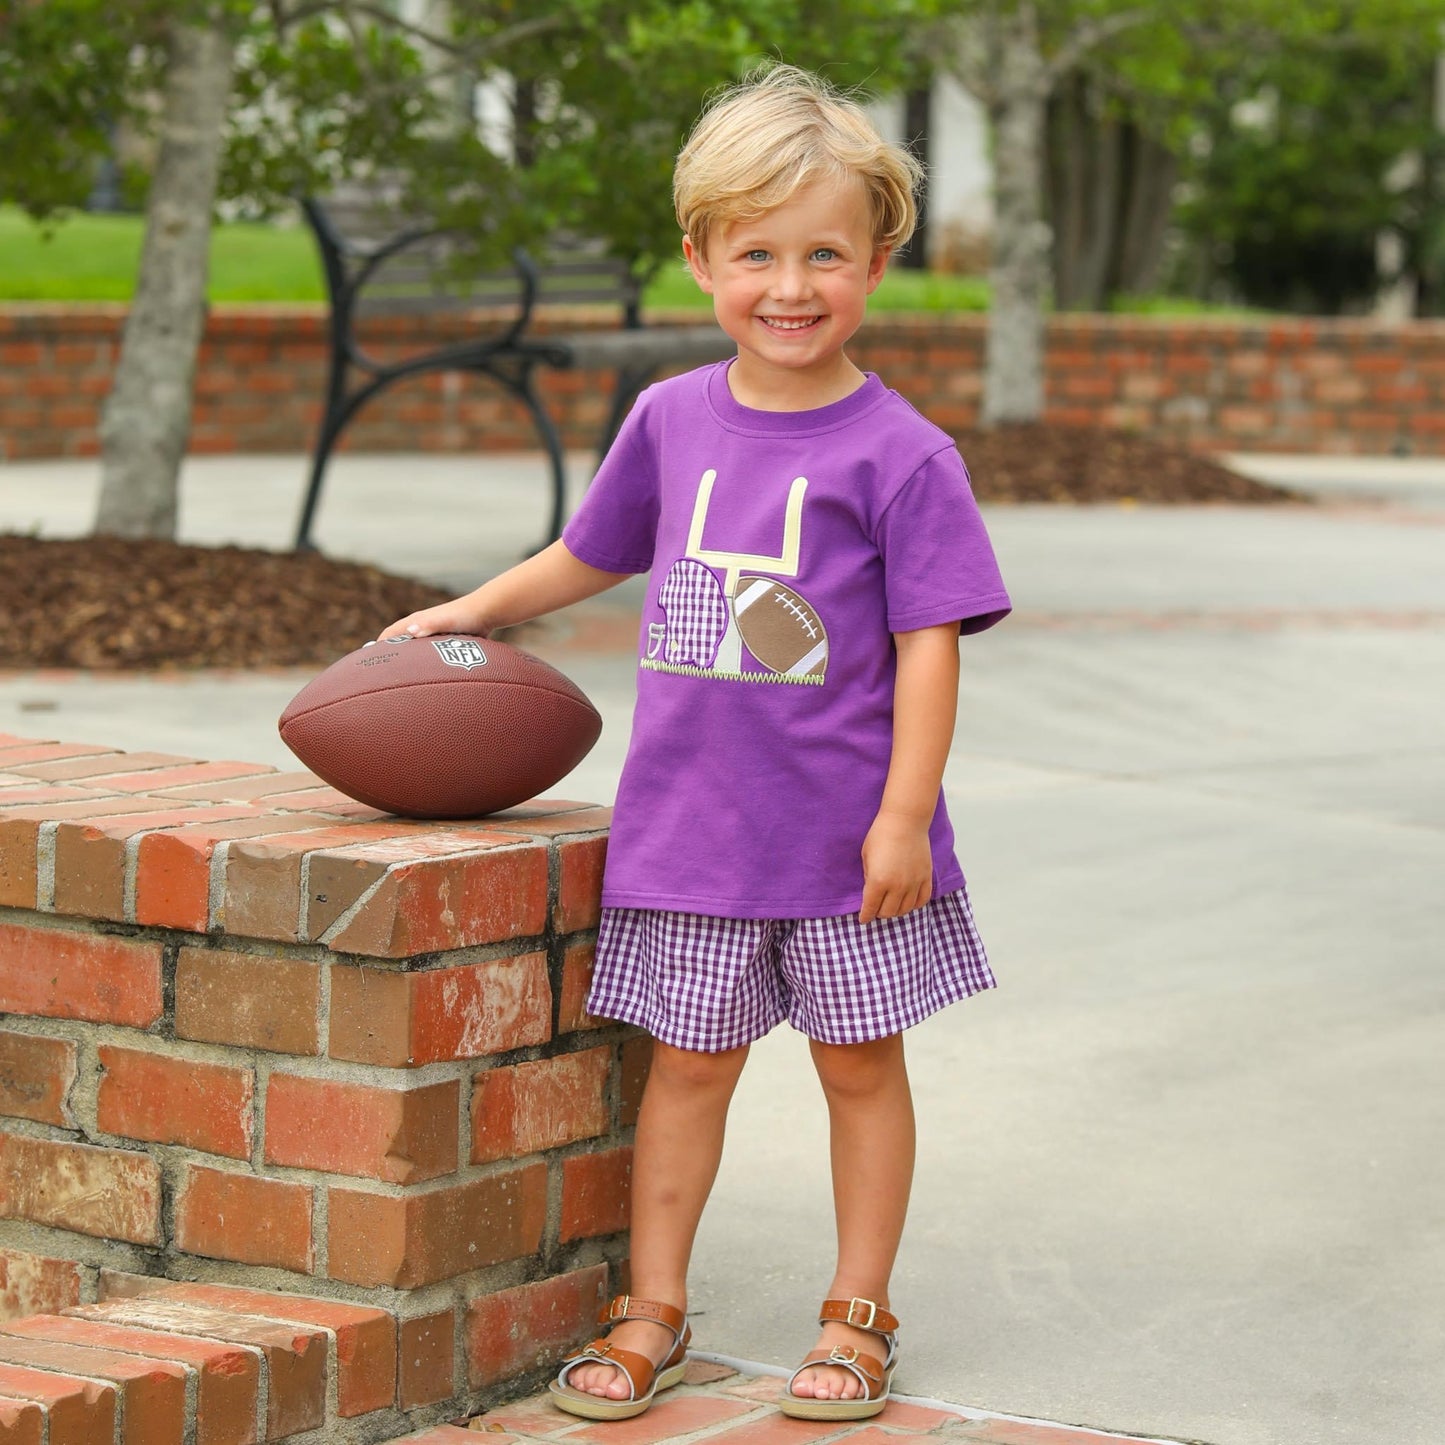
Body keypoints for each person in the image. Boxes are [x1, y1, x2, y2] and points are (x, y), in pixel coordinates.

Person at [378, 63, 1011, 1425]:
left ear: (877, 261)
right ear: (700, 258)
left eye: (824, 254)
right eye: (756, 254)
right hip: (692, 833)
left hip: (847, 844)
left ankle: (854, 1315)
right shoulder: (670, 418)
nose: (790, 286)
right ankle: (651, 1304)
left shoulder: (904, 454)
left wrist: (903, 816)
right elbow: (588, 551)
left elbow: (929, 643)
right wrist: (480, 607)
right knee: (686, 1067)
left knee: (859, 1065)